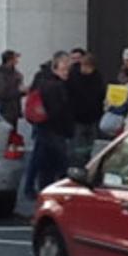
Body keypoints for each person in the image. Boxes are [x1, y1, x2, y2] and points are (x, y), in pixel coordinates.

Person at [31, 52, 75, 192]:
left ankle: (43, 191)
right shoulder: (56, 86)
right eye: (63, 69)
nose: (66, 72)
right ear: (55, 69)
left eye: (68, 69)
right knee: (60, 165)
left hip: (46, 129)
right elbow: (58, 111)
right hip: (55, 131)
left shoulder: (45, 82)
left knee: (46, 166)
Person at [67, 53, 105, 166]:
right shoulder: (73, 76)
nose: (84, 69)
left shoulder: (97, 78)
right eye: (83, 66)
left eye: (87, 67)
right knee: (77, 149)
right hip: (78, 118)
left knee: (91, 147)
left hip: (93, 117)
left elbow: (100, 94)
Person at [0, 51, 23, 129]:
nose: (17, 60)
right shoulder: (0, 73)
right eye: (15, 58)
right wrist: (19, 91)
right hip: (4, 110)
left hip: (14, 109)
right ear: (10, 60)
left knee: (13, 134)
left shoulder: (15, 73)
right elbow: (1, 93)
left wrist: (23, 91)